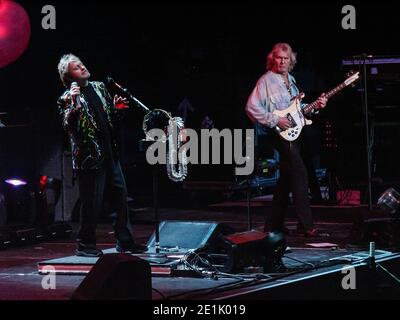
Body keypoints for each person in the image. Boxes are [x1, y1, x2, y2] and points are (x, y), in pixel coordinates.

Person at [57, 54, 148, 256]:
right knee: (92, 203)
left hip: (110, 152)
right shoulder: (66, 98)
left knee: (120, 197)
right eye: (76, 67)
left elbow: (110, 121)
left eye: (81, 63)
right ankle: (85, 245)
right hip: (89, 159)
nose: (82, 67)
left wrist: (117, 111)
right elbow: (68, 126)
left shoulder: (99, 87)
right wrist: (74, 103)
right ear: (68, 76)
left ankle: (124, 241)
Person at [245, 43, 327, 237]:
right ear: (272, 59)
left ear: (291, 61)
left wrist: (315, 106)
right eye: (279, 58)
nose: (282, 61)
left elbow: (295, 110)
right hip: (278, 135)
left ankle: (273, 225)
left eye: (286, 58)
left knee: (287, 180)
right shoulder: (266, 80)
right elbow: (251, 107)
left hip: (294, 134)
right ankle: (306, 226)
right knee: (300, 174)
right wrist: (275, 120)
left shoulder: (291, 79)